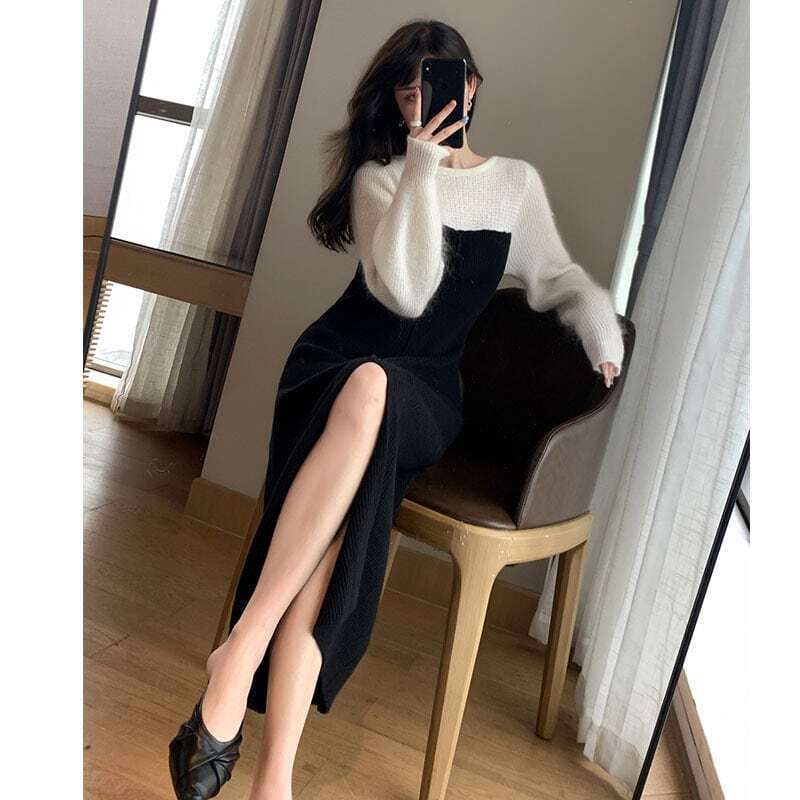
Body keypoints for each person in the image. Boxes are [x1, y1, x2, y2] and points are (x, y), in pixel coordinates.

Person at [168, 18, 625, 800]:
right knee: (337, 524)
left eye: (437, 85)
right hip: (333, 370)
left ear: (470, 87)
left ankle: (240, 649)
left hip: (424, 391)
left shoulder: (514, 186)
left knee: (376, 394)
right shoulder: (380, 179)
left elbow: (557, 278)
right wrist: (421, 169)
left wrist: (600, 331)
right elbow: (406, 295)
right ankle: (275, 777)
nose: (424, 102)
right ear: (397, 103)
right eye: (408, 92)